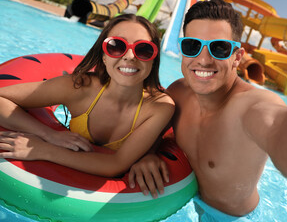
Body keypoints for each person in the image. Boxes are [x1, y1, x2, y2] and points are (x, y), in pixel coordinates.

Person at [127, 0, 287, 220]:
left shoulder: (252, 106)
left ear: (237, 57)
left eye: (219, 48)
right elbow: (148, 127)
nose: (204, 60)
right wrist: (147, 154)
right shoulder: (178, 92)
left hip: (232, 218)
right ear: (182, 49)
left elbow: (283, 128)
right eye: (192, 46)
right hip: (187, 200)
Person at [0, 14, 174, 178]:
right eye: (116, 46)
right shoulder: (79, 88)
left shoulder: (159, 107)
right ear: (104, 56)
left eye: (143, 50)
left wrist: (43, 150)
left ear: (153, 59)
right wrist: (49, 135)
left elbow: (116, 164)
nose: (129, 56)